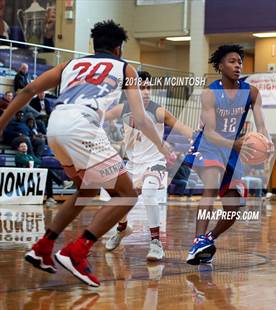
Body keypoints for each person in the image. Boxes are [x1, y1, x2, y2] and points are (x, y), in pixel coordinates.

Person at [0, 20, 170, 287]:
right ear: (119, 48)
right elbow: (140, 116)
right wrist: (163, 146)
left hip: (55, 127)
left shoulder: (70, 64)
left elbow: (29, 89)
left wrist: (1, 123)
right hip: (83, 127)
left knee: (86, 190)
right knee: (126, 195)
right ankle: (77, 251)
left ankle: (44, 246)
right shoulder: (125, 68)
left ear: (94, 45)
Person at [184, 44, 273, 265]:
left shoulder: (251, 92)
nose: (237, 66)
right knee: (211, 186)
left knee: (233, 208)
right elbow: (211, 133)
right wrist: (235, 144)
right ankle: (196, 241)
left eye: (239, 62)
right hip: (209, 145)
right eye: (232, 61)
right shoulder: (209, 93)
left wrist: (266, 141)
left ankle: (207, 240)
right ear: (220, 66)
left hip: (232, 148)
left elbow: (261, 125)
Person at [104, 71, 192, 261]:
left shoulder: (158, 110)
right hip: (133, 164)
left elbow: (181, 126)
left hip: (155, 162)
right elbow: (104, 116)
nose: (145, 92)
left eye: (148, 88)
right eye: (140, 88)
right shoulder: (123, 108)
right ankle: (122, 229)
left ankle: (155, 242)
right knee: (122, 201)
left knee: (150, 195)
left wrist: (196, 136)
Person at [14, 141, 73, 206]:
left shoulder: (30, 155)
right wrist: (32, 162)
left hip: (34, 173)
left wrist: (32, 162)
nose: (23, 148)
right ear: (18, 148)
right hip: (25, 175)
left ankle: (50, 198)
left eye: (25, 146)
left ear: (27, 148)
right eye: (22, 146)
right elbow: (25, 162)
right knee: (48, 171)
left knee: (48, 177)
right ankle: (61, 184)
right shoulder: (18, 156)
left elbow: (39, 162)